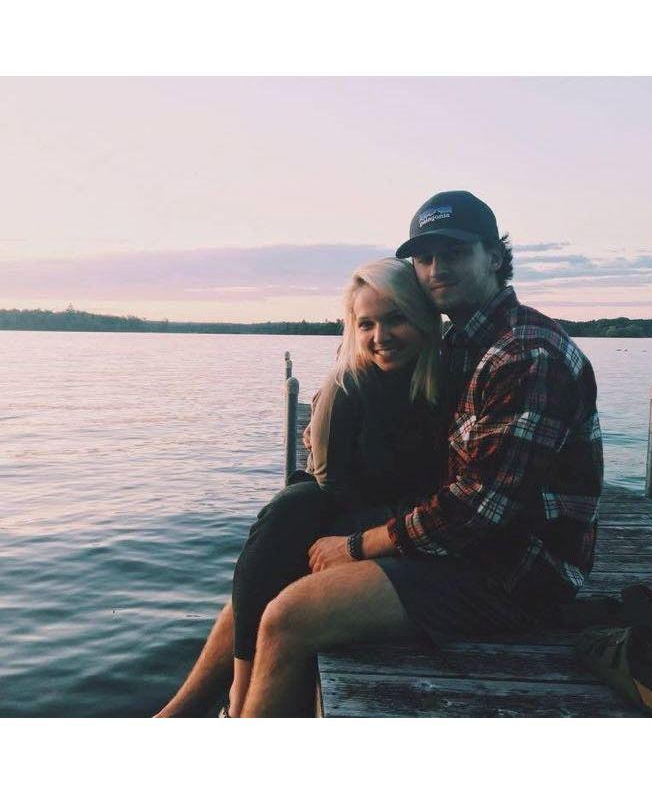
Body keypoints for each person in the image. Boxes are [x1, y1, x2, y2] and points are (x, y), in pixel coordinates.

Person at [230, 190, 603, 717]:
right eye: (424, 258)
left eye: (454, 253)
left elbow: (477, 509)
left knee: (290, 616)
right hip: (464, 548)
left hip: (516, 573)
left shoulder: (526, 354)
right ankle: (198, 711)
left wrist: (356, 546)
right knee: (278, 548)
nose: (436, 269)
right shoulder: (459, 344)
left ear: (494, 257)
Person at [154, 258, 444, 717]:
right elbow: (333, 489)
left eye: (396, 319)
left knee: (278, 575)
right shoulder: (345, 388)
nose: (380, 336)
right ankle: (222, 700)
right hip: (354, 519)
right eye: (366, 324)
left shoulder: (451, 382)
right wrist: (358, 540)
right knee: (293, 509)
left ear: (423, 318)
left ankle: (207, 708)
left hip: (414, 534)